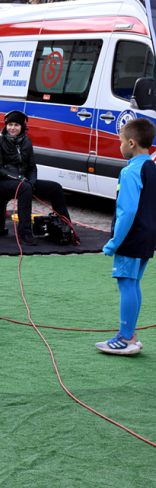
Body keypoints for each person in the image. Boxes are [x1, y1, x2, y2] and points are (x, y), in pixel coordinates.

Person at [95, 118, 156, 356]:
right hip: (147, 235)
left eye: (120, 141)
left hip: (132, 237)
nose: (119, 145)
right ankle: (130, 335)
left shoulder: (130, 171)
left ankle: (126, 338)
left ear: (131, 143)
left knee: (126, 283)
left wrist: (113, 243)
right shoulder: (151, 166)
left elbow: (127, 211)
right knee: (133, 282)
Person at [0, 110, 71, 246]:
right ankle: (24, 232)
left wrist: (32, 181)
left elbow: (32, 167)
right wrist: (20, 179)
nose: (12, 128)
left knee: (55, 187)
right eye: (10, 125)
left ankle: (66, 228)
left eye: (16, 125)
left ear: (22, 127)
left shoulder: (27, 141)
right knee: (24, 188)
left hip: (24, 182)